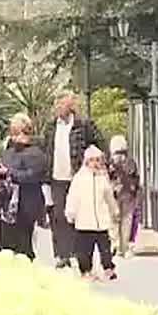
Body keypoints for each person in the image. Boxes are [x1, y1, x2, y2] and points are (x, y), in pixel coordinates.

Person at [46, 92, 100, 268]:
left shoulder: (82, 125)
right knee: (58, 216)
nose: (57, 109)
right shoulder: (51, 127)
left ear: (69, 107)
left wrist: (95, 164)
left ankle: (79, 252)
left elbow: (98, 144)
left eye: (61, 105)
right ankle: (62, 254)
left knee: (78, 216)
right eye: (56, 105)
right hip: (57, 177)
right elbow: (47, 149)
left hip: (78, 177)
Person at [0, 113, 50, 260]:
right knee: (4, 242)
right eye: (13, 133)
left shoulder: (36, 152)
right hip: (7, 205)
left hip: (26, 203)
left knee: (23, 243)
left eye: (18, 132)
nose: (15, 137)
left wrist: (9, 172)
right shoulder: (8, 151)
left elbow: (34, 175)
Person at [66, 146, 120, 280]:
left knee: (105, 248)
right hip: (84, 222)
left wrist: (115, 211)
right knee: (84, 250)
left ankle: (108, 268)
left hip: (101, 222)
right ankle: (86, 270)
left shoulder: (103, 178)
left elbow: (109, 197)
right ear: (86, 162)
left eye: (98, 160)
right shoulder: (79, 178)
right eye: (92, 160)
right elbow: (72, 196)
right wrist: (70, 212)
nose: (95, 163)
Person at [108, 135, 141, 258]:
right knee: (125, 220)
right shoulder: (130, 162)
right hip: (127, 194)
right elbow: (135, 179)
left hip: (119, 194)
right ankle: (123, 246)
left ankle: (117, 244)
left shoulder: (112, 163)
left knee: (116, 220)